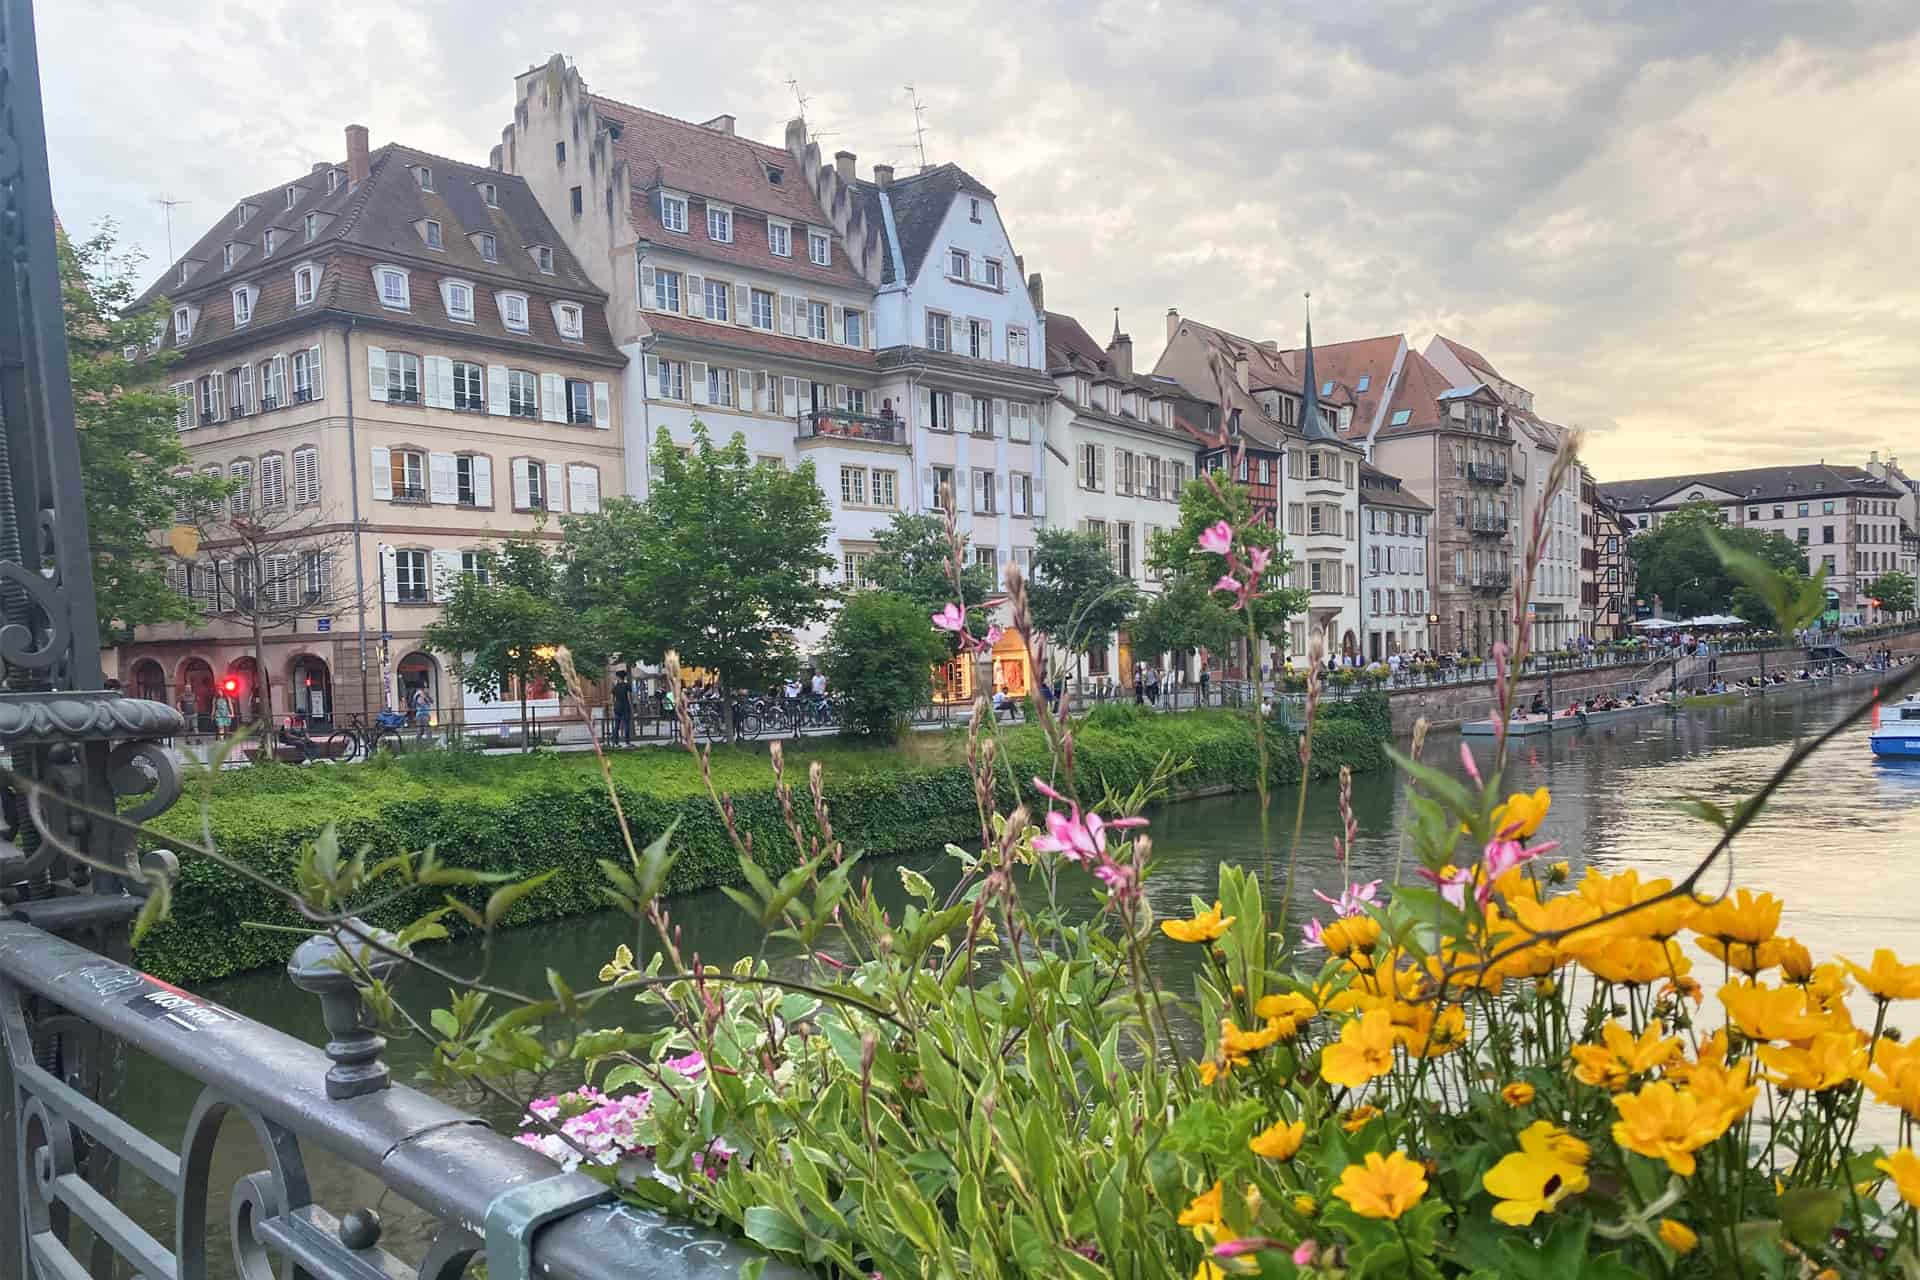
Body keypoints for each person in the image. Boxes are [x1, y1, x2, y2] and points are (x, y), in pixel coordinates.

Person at [611, 671, 634, 746]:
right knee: (626, 724)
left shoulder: (615, 687)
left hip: (617, 707)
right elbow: (629, 697)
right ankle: (627, 742)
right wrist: (631, 706)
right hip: (625, 706)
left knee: (616, 725)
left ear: (618, 677)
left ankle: (616, 742)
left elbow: (612, 698)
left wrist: (613, 706)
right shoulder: (627, 685)